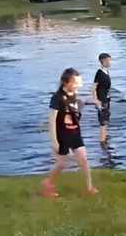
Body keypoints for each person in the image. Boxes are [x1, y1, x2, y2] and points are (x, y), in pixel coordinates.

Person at [41, 68, 98, 198]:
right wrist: (54, 141)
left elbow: (75, 107)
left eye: (80, 82)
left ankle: (89, 188)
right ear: (66, 82)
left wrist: (89, 101)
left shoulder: (74, 94)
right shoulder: (57, 97)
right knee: (62, 164)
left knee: (83, 159)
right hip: (62, 135)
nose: (79, 85)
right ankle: (47, 184)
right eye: (76, 83)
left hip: (75, 132)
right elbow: (52, 121)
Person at [92, 53, 112, 145]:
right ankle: (102, 142)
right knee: (103, 122)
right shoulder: (99, 73)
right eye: (108, 60)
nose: (109, 62)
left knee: (106, 120)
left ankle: (105, 139)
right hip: (101, 100)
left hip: (106, 99)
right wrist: (96, 100)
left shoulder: (106, 71)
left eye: (110, 60)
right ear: (102, 61)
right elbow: (93, 87)